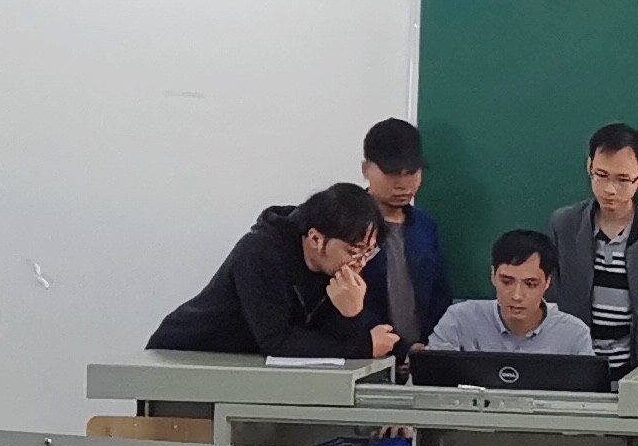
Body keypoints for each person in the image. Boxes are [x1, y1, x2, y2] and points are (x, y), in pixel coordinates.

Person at [147, 185, 400, 359]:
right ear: (315, 239)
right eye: (354, 251)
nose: (360, 262)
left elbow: (332, 340)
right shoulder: (261, 251)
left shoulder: (336, 269)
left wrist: (351, 314)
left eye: (369, 252)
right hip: (184, 354)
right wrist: (362, 347)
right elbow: (277, 340)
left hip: (240, 364)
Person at [548, 123, 638, 382]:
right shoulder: (564, 226)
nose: (609, 189)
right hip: (574, 369)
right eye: (601, 175)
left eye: (623, 179)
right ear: (589, 166)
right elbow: (551, 300)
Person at [360, 118, 450, 355]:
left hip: (423, 355)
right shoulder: (346, 224)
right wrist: (399, 350)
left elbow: (440, 295)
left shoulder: (425, 226)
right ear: (366, 169)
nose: (402, 184)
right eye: (392, 174)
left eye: (411, 173)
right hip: (367, 354)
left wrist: (428, 346)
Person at [425, 231, 593, 354]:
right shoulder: (459, 320)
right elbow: (428, 383)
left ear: (547, 282)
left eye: (530, 284)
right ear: (493, 275)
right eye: (507, 281)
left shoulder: (574, 335)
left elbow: (586, 391)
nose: (517, 296)